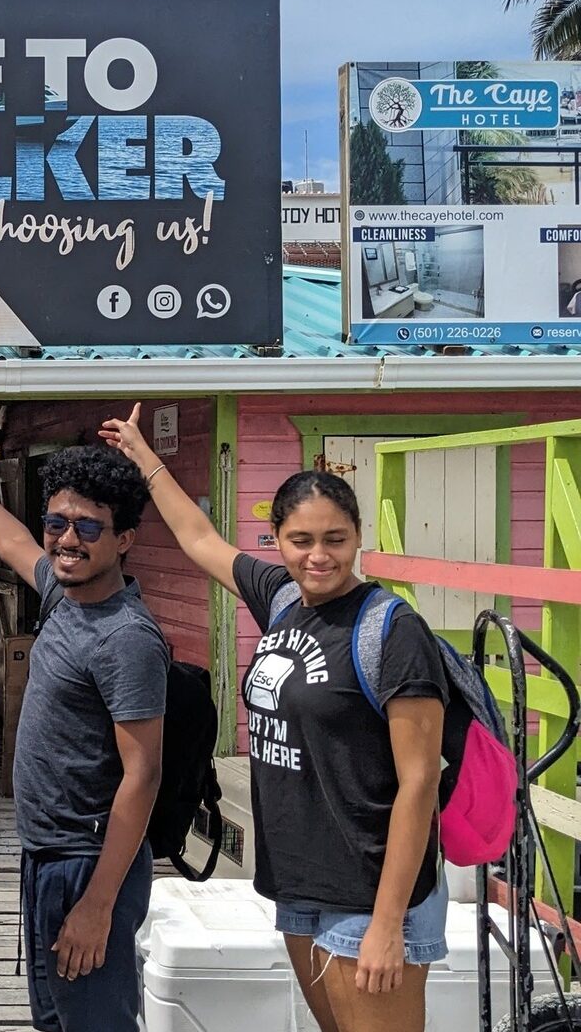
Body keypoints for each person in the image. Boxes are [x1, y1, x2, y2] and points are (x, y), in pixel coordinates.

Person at [100, 404, 447, 1032]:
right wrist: (145, 458)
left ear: (357, 537)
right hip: (300, 884)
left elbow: (419, 782)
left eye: (335, 539)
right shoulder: (284, 599)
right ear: (278, 540)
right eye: (302, 540)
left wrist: (389, 923)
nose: (319, 556)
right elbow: (200, 539)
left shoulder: (393, 632)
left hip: (370, 894)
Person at [0, 443, 166, 1032]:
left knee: (94, 1022)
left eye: (88, 527)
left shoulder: (126, 638)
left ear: (123, 539)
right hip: (45, 855)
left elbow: (143, 775)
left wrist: (96, 908)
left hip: (88, 861)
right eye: (58, 522)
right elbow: (15, 543)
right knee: (55, 1020)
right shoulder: (64, 595)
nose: (67, 540)